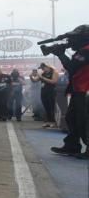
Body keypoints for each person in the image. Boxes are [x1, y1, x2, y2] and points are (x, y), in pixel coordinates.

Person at [51, 25, 89, 158]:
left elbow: (72, 67)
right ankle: (72, 146)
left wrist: (60, 53)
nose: (72, 41)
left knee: (84, 120)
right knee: (72, 118)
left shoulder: (86, 50)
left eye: (75, 38)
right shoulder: (82, 50)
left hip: (85, 90)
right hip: (79, 89)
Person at [34, 63, 59, 128]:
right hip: (44, 91)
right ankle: (48, 121)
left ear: (48, 66)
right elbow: (35, 80)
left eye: (43, 67)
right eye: (41, 68)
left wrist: (42, 77)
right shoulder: (43, 73)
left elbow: (54, 81)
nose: (42, 69)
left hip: (51, 91)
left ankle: (54, 122)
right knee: (46, 107)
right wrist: (31, 76)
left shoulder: (54, 72)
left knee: (52, 107)